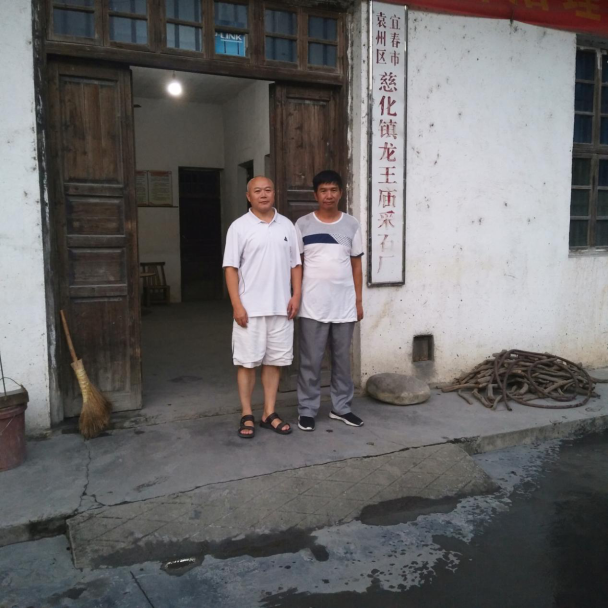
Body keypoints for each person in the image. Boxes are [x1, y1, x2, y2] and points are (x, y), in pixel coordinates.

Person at [223, 176, 302, 438]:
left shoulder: (287, 225)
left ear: (274, 193)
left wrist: (296, 295)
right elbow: (231, 268)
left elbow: (295, 264)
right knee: (247, 363)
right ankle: (247, 413)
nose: (263, 194)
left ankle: (269, 412)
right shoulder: (239, 227)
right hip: (250, 309)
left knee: (274, 362)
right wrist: (237, 305)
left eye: (268, 189)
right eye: (257, 191)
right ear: (249, 196)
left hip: (281, 307)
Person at [295, 170, 364, 431]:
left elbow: (356, 265)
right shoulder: (302, 224)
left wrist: (358, 301)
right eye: (323, 190)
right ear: (316, 195)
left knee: (342, 361)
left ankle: (341, 407)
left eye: (333, 190)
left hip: (344, 305)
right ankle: (307, 409)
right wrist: (296, 296)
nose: (329, 195)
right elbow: (296, 265)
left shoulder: (351, 224)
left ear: (341, 193)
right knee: (310, 361)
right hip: (312, 305)